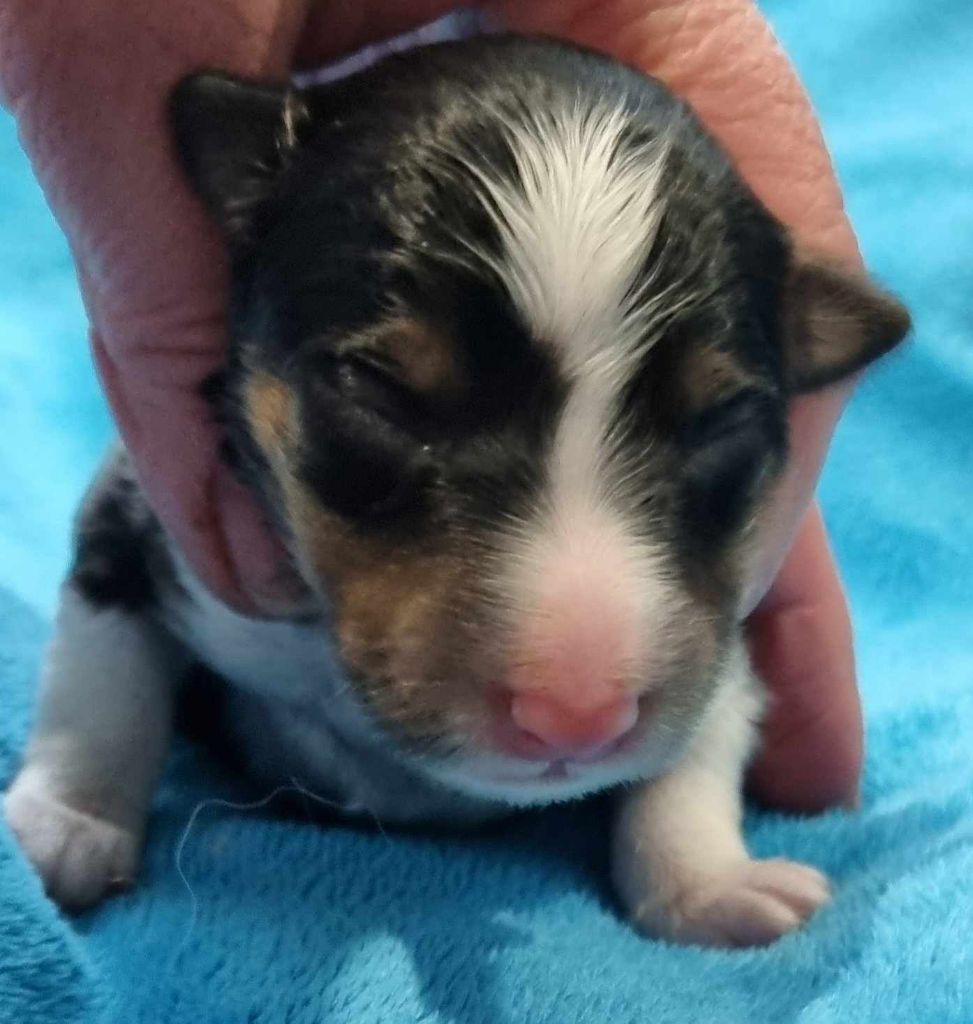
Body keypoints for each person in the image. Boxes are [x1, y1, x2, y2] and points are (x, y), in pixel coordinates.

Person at [0, 0, 863, 812]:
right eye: (385, 405)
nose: (569, 694)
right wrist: (84, 788)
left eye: (714, 431)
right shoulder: (195, 530)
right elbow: (115, 579)